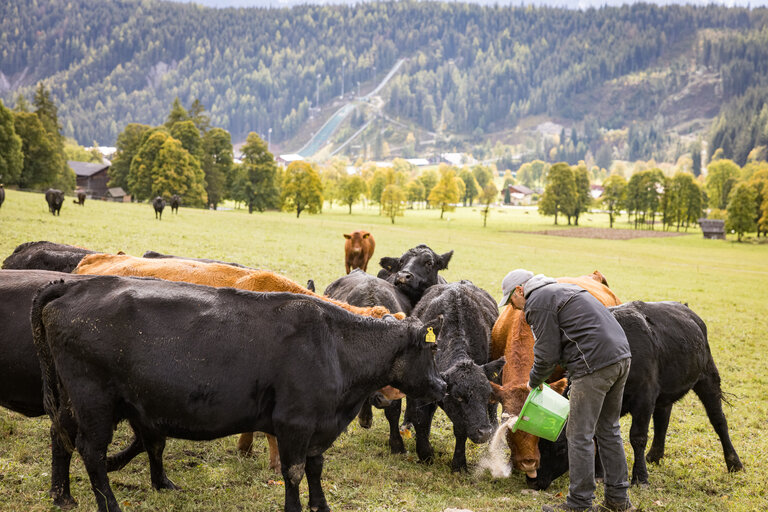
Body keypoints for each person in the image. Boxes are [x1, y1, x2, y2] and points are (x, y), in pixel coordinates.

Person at [499, 269, 635, 512]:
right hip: (621, 358)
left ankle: (579, 503)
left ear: (520, 290)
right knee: (608, 429)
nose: (514, 307)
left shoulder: (537, 302)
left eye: (511, 300)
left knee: (578, 434)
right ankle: (618, 500)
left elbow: (547, 353)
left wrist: (534, 381)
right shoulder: (564, 290)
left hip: (592, 365)